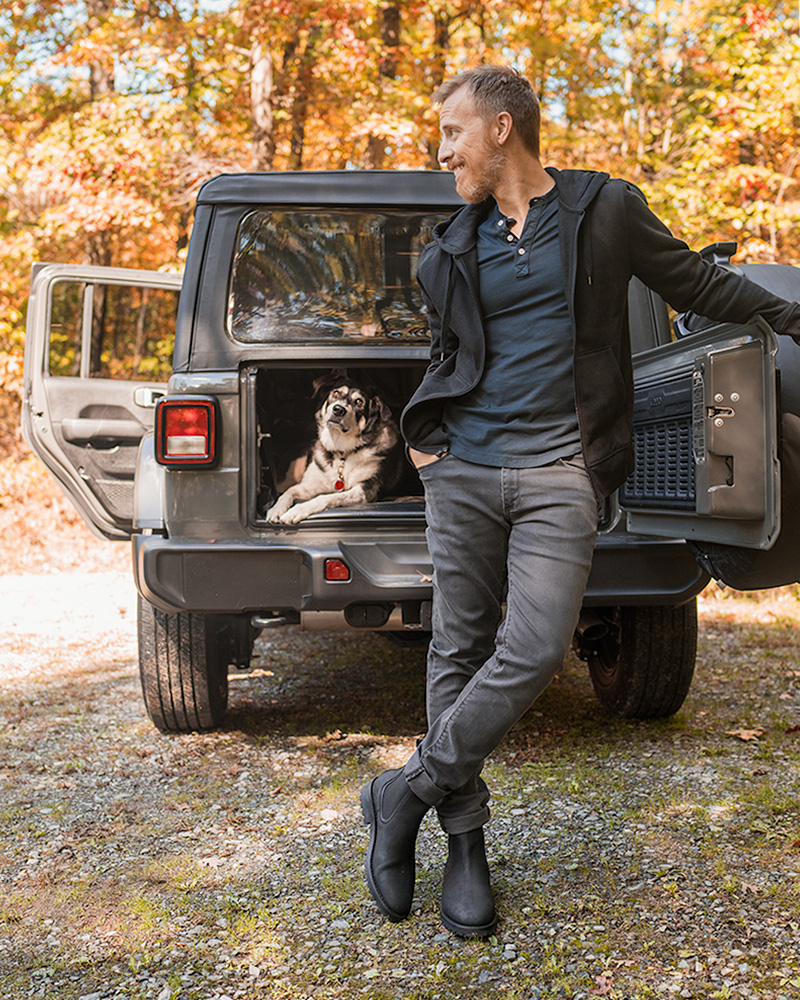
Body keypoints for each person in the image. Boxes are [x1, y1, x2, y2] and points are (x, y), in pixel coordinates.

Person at [360, 64, 800, 938]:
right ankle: (466, 844)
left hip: (562, 468)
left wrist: (792, 318)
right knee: (458, 646)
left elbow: (697, 285)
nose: (441, 149)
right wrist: (428, 449)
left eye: (452, 131)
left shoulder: (605, 210)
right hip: (464, 470)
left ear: (500, 129)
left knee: (531, 649)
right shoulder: (452, 248)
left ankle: (401, 791)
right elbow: (451, 358)